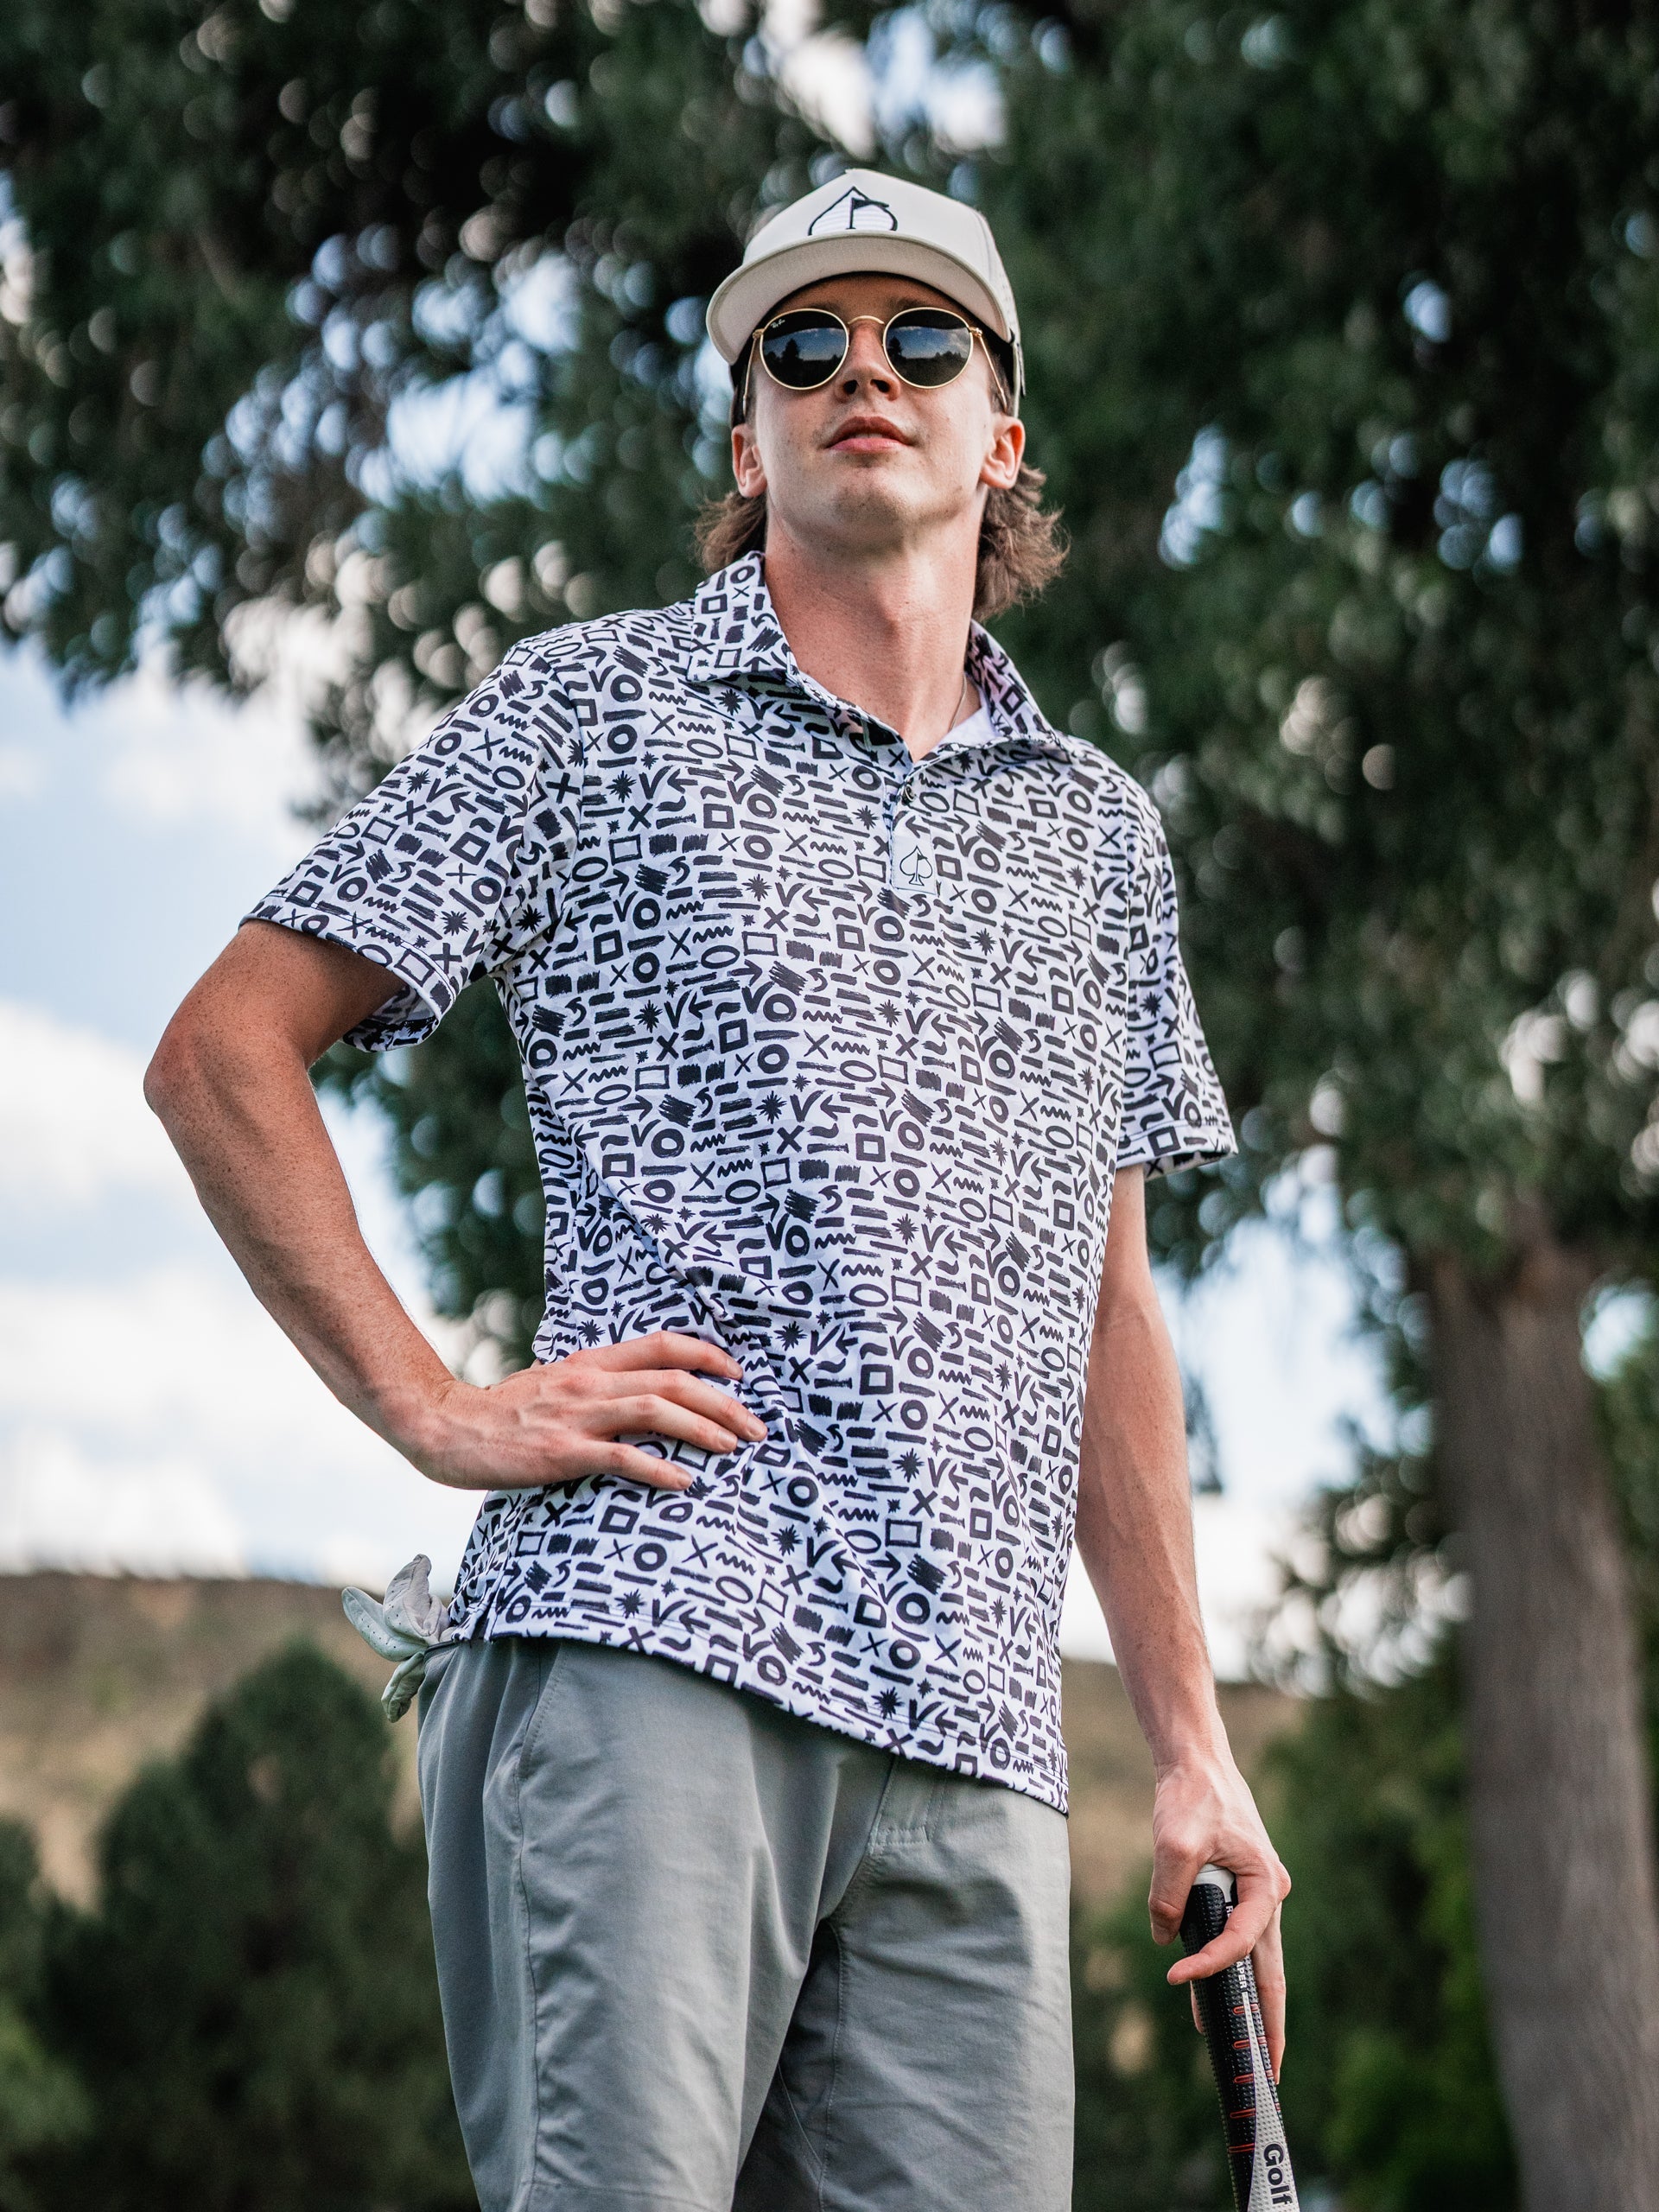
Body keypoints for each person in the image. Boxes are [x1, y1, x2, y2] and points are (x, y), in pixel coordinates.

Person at [145, 166, 1289, 2212]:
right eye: (806, 345)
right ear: (743, 429)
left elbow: (1107, 1306)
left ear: (999, 428)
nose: (868, 371)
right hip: (657, 1639)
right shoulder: (592, 713)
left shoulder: (1106, 840)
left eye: (921, 338)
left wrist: (1192, 1741)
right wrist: (435, 1405)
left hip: (977, 1740)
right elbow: (224, 1046)